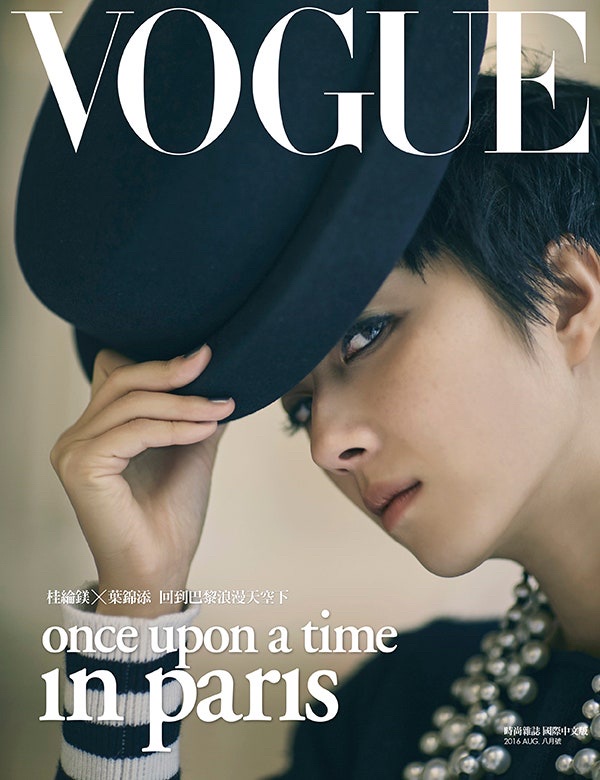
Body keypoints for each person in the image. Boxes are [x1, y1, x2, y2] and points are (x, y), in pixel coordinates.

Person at [47, 74, 600, 780]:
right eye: (300, 409)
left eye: (366, 336)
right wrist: (138, 604)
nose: (326, 445)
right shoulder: (390, 714)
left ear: (564, 297)